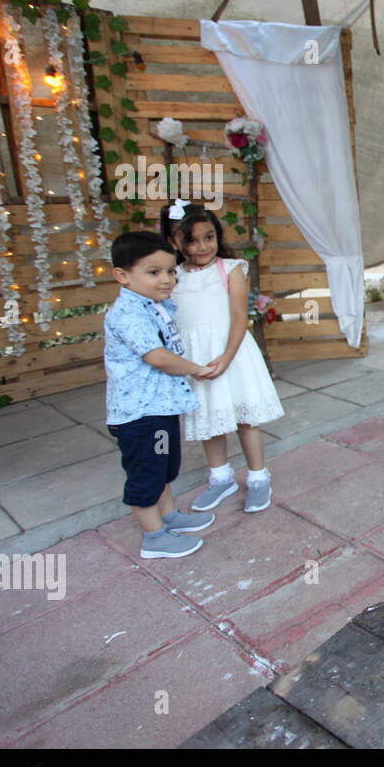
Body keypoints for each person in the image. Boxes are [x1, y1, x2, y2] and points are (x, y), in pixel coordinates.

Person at [105, 231, 219, 559]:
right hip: (140, 417)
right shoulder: (129, 313)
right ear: (122, 275)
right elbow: (156, 356)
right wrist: (195, 368)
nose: (166, 279)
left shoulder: (153, 305)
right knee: (146, 474)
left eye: (170, 271)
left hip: (160, 409)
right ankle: (153, 537)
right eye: (153, 272)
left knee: (164, 467)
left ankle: (168, 517)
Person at [168, 205, 284, 513]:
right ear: (174, 242)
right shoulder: (172, 277)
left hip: (232, 353)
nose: (203, 246)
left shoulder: (229, 269)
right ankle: (221, 478)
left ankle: (259, 478)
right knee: (210, 420)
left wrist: (226, 357)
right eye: (192, 240)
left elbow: (238, 315)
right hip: (197, 362)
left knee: (246, 419)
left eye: (209, 237)